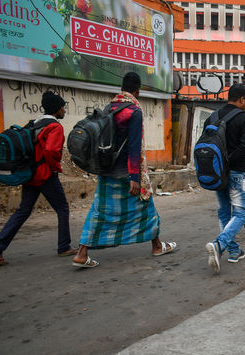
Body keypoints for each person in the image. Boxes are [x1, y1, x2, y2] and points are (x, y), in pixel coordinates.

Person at [72, 72, 177, 268]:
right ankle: (156, 246)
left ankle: (81, 252)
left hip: (106, 169)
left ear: (122, 89)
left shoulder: (110, 107)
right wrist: (135, 178)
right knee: (146, 207)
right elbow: (134, 147)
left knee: (99, 211)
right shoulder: (134, 111)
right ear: (137, 90)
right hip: (127, 172)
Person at [0, 92, 77, 266]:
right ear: (57, 109)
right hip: (44, 175)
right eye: (63, 107)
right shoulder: (54, 127)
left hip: (29, 175)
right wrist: (55, 168)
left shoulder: (34, 124)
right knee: (63, 208)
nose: (64, 110)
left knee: (23, 211)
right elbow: (50, 151)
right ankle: (64, 246)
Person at [205, 84, 245, 273]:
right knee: (241, 213)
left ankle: (234, 251)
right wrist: (228, 162)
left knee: (224, 213)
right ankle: (219, 245)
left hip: (216, 173)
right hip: (236, 173)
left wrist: (220, 164)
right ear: (241, 99)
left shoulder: (212, 116)